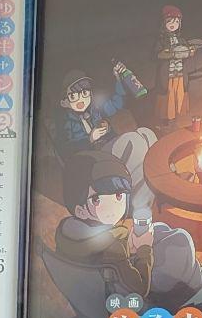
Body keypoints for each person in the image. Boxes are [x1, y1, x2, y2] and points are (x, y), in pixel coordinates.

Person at [55, 150, 202, 307]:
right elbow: (140, 288)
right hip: (131, 297)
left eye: (118, 195)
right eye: (97, 199)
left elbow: (108, 259)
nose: (113, 205)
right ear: (81, 210)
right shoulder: (113, 248)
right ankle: (199, 283)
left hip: (104, 281)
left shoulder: (68, 232)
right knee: (182, 240)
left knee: (159, 230)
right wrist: (143, 249)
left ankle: (193, 274)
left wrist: (129, 248)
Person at [56, 69, 157, 218]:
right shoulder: (65, 123)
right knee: (133, 142)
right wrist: (90, 138)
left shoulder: (94, 109)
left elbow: (117, 103)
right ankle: (137, 204)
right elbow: (68, 151)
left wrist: (118, 80)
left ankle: (156, 187)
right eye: (73, 96)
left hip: (106, 149)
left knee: (146, 133)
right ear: (64, 102)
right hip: (91, 160)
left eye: (85, 93)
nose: (80, 99)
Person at [154, 5, 195, 127]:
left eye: (176, 22)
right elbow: (157, 55)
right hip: (167, 74)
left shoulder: (181, 40)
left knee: (179, 93)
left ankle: (178, 114)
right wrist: (171, 54)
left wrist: (190, 51)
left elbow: (188, 51)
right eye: (170, 21)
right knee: (168, 95)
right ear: (164, 23)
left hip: (180, 73)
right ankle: (165, 118)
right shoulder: (161, 40)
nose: (173, 24)